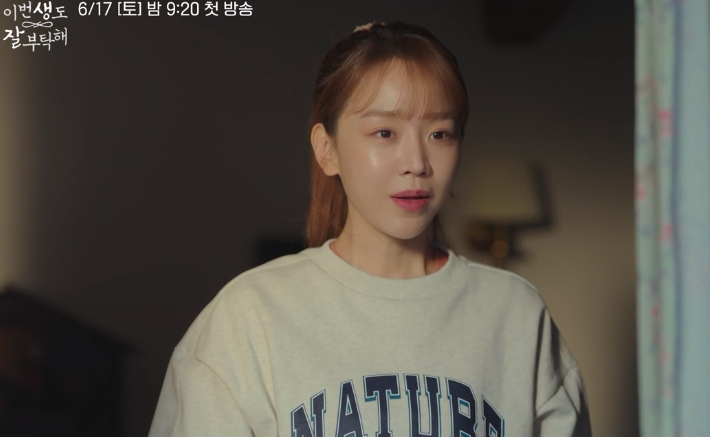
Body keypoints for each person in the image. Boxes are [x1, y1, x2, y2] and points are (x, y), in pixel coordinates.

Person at [148, 21, 592, 437]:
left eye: (440, 134)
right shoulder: (248, 318)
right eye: (384, 133)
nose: (416, 163)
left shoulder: (515, 314)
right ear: (327, 149)